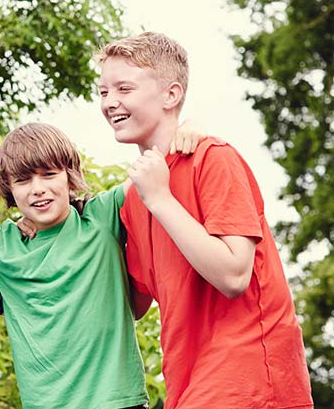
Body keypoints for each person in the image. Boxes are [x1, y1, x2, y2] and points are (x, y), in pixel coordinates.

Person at [0, 122, 202, 409]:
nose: (38, 189)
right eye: (24, 180)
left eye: (49, 175)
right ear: (10, 191)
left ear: (70, 178)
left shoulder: (102, 217)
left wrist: (188, 128)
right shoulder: (0, 247)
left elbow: (163, 160)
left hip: (117, 401)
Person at [95, 31, 313, 409]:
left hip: (251, 385)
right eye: (102, 92)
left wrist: (161, 199)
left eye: (124, 89)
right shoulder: (134, 197)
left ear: (171, 95)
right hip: (188, 386)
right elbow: (132, 304)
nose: (110, 102)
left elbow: (233, 275)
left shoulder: (213, 159)